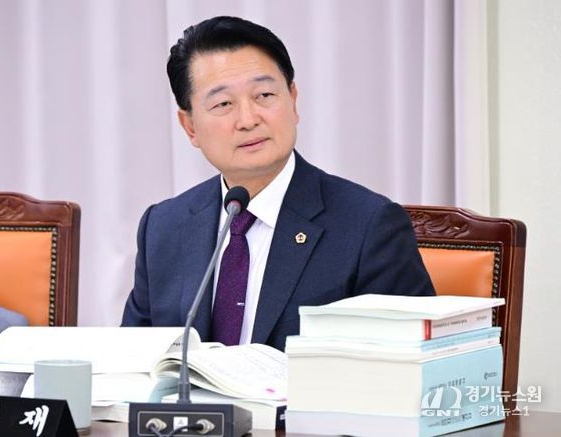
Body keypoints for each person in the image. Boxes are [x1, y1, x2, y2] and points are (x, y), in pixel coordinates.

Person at [121, 16, 435, 350]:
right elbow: (133, 360)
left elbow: (410, 365)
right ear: (190, 127)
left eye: (264, 95)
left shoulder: (368, 226)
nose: (248, 119)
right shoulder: (163, 228)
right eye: (223, 104)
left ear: (293, 101)